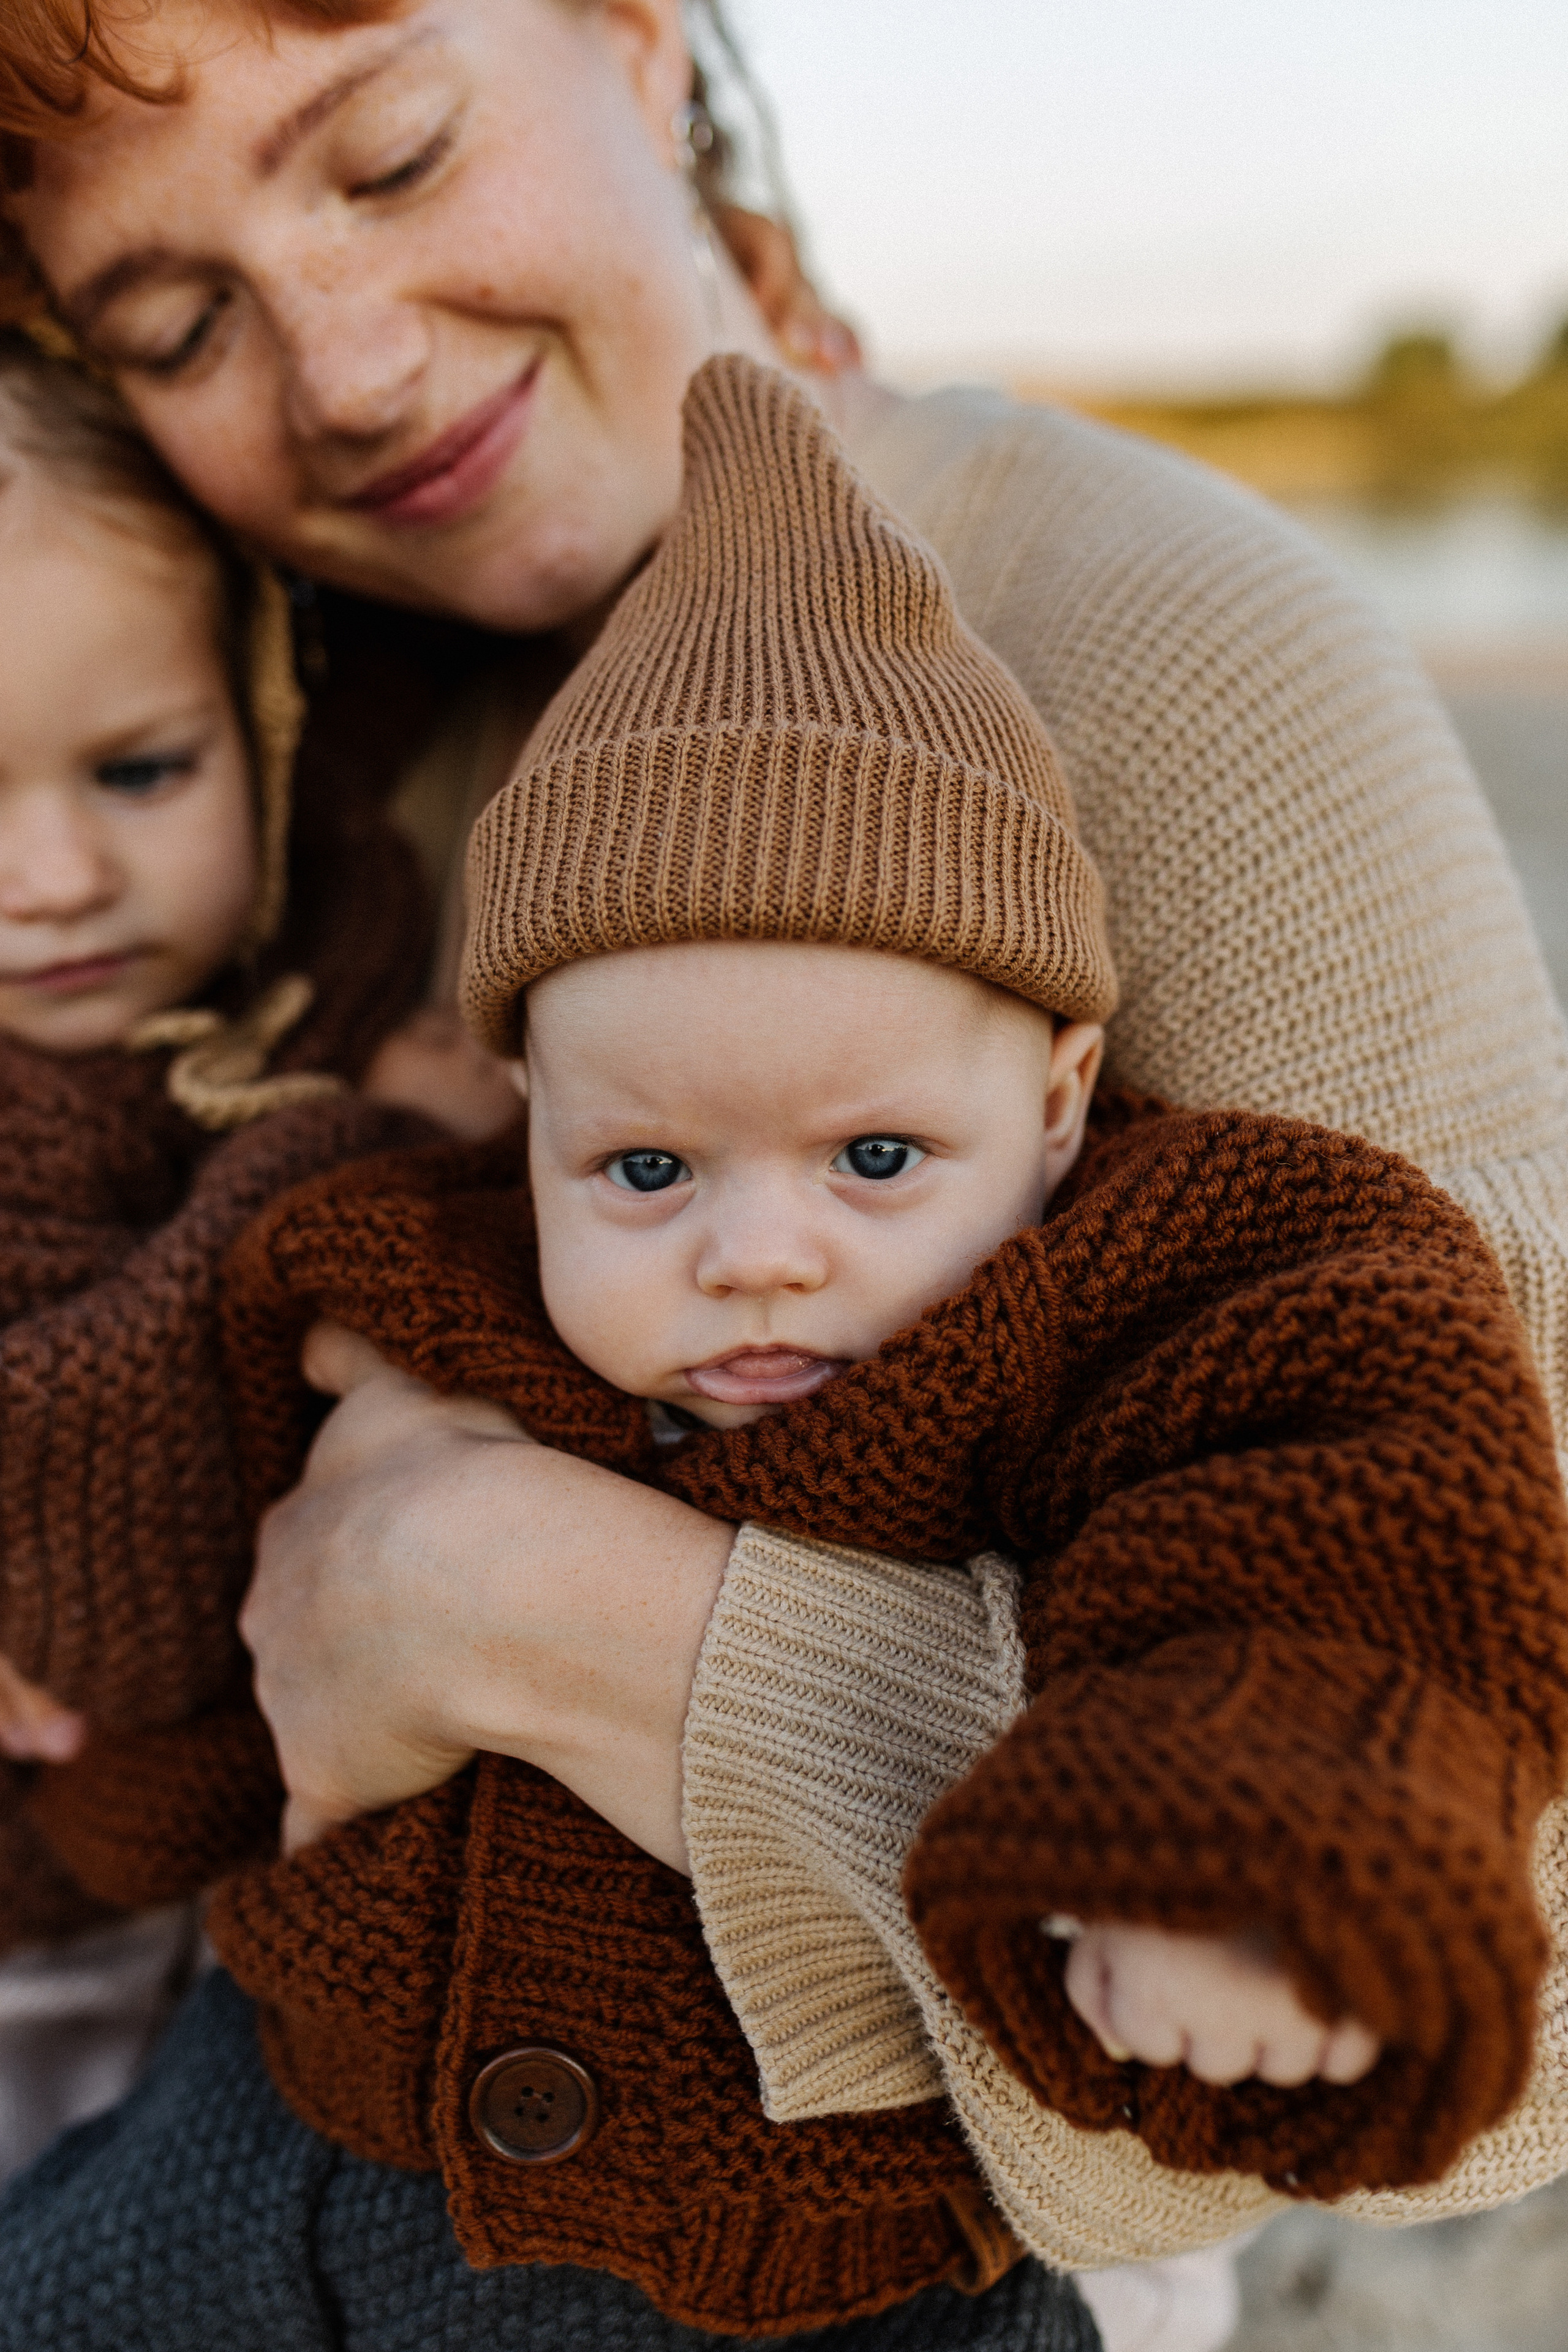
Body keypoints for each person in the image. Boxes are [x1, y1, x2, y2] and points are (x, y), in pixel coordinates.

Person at [1, 0, 1566, 2339]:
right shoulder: (274, 718)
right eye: (184, 319)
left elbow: (1526, 1999)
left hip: (852, 2252)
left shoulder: (1171, 661)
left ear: (640, 48)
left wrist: (528, 1603)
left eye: (398, 154)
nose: (335, 367)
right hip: (288, 2100)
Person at [0, 330, 439, 2176]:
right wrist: (366, 1150)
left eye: (140, 770)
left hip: (267, 1862)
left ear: (262, 711)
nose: (50, 877)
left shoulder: (354, 948)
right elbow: (93, 1452)